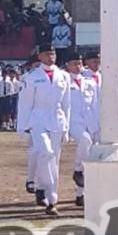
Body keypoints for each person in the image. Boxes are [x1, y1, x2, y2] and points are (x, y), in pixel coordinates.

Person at [16, 43, 72, 216]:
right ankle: (49, 194)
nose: (51, 57)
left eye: (53, 54)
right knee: (46, 152)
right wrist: (22, 127)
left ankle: (51, 198)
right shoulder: (31, 77)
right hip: (37, 120)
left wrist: (67, 128)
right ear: (39, 57)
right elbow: (25, 104)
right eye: (47, 54)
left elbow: (67, 104)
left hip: (57, 120)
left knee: (53, 159)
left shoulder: (63, 76)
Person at [64, 51, 99, 208]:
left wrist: (97, 123)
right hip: (73, 121)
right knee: (84, 140)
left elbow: (96, 104)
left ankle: (81, 194)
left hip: (90, 121)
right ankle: (77, 169)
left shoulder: (89, 82)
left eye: (79, 64)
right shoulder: (64, 82)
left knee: (91, 157)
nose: (77, 67)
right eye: (74, 64)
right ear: (67, 65)